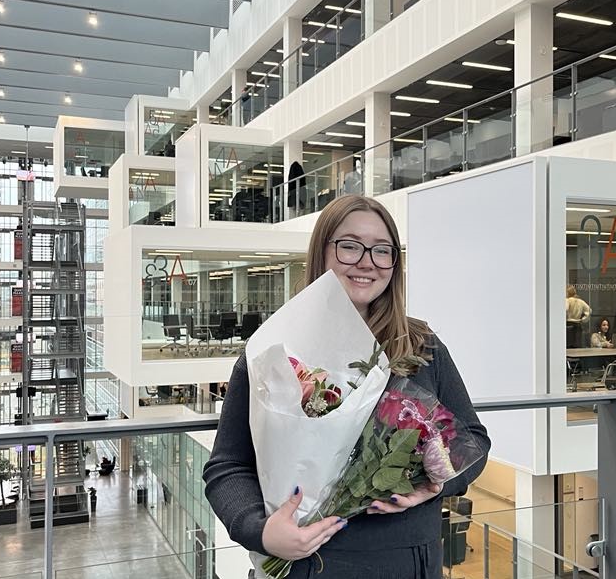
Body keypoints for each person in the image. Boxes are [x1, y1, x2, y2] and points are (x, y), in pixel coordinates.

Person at [203, 195, 490, 578]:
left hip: (408, 562)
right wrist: (262, 532)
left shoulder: (421, 346)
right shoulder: (275, 349)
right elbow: (228, 465)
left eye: (382, 250)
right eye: (350, 246)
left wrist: (434, 483)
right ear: (321, 252)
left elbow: (473, 442)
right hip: (311, 562)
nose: (367, 262)